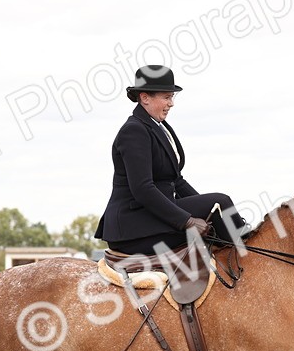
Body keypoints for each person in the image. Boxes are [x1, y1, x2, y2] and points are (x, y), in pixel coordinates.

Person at [94, 65, 246, 256]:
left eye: (172, 97)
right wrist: (187, 221)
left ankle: (243, 249)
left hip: (154, 217)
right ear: (145, 98)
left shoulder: (158, 126)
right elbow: (142, 189)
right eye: (166, 97)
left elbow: (177, 181)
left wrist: (209, 213)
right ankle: (246, 254)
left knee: (217, 208)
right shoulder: (133, 131)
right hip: (133, 227)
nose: (171, 103)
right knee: (220, 201)